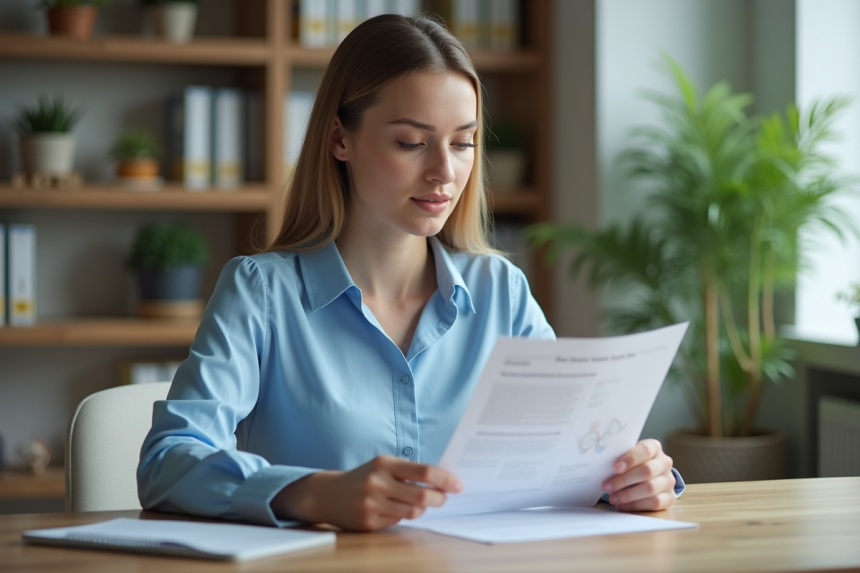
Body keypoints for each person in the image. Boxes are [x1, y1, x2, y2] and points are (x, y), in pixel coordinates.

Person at [137, 13, 683, 531]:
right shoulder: (262, 291)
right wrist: (317, 493)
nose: (445, 172)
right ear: (339, 139)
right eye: (411, 142)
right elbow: (168, 462)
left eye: (464, 143)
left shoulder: (502, 292)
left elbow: (568, 459)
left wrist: (631, 479)